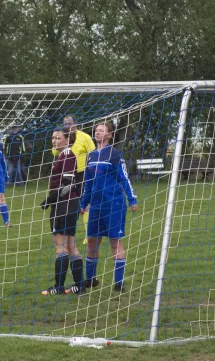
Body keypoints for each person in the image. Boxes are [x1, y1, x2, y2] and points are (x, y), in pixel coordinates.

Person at [79, 122, 138, 292]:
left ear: (110, 135)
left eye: (102, 130)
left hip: (114, 204)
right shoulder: (90, 156)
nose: (97, 133)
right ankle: (90, 280)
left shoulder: (115, 154)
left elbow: (124, 178)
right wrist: (84, 203)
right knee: (92, 241)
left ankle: (119, 283)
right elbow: (88, 184)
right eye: (96, 130)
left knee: (115, 242)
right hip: (96, 206)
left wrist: (132, 199)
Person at [40, 127, 84, 296]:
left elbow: (67, 184)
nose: (54, 140)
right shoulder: (64, 155)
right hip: (70, 204)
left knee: (61, 247)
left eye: (58, 138)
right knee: (71, 245)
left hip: (63, 205)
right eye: (52, 137)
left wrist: (48, 201)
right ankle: (79, 286)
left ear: (67, 140)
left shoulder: (67, 155)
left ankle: (58, 287)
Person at [57, 115, 96, 244]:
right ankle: (67, 233)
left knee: (86, 203)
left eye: (69, 123)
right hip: (67, 175)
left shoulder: (85, 137)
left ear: (75, 123)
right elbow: (55, 152)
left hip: (83, 173)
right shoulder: (62, 137)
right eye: (65, 124)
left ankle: (88, 234)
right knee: (69, 204)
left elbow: (94, 154)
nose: (67, 126)